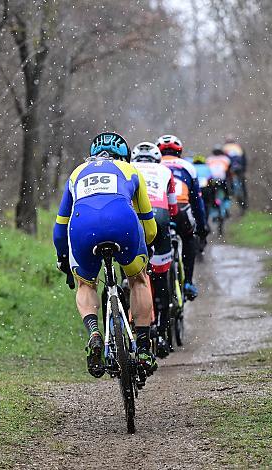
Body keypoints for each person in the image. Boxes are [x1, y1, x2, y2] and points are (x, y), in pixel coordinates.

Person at [53, 131, 158, 379]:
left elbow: (59, 228)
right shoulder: (130, 171)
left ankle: (94, 333)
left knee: (85, 284)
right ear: (125, 156)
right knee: (139, 280)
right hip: (123, 224)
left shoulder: (77, 173)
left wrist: (63, 259)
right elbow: (150, 226)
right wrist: (144, 251)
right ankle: (143, 348)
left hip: (83, 228)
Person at [130, 142, 178, 358]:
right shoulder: (165, 170)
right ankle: (160, 333)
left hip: (134, 220)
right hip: (159, 217)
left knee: (132, 276)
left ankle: (130, 327)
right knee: (161, 278)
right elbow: (174, 208)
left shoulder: (128, 170)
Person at [155, 134, 208, 301]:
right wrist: (201, 227)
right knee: (188, 238)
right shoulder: (187, 166)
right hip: (181, 211)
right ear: (179, 151)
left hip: (159, 210)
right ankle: (188, 283)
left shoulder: (154, 166)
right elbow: (197, 201)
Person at [223, 135, 248, 210]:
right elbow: (244, 159)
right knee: (243, 187)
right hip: (239, 170)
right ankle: (244, 204)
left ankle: (232, 200)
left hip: (230, 171)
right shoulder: (238, 147)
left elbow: (224, 160)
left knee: (229, 187)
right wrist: (244, 170)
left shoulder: (224, 148)